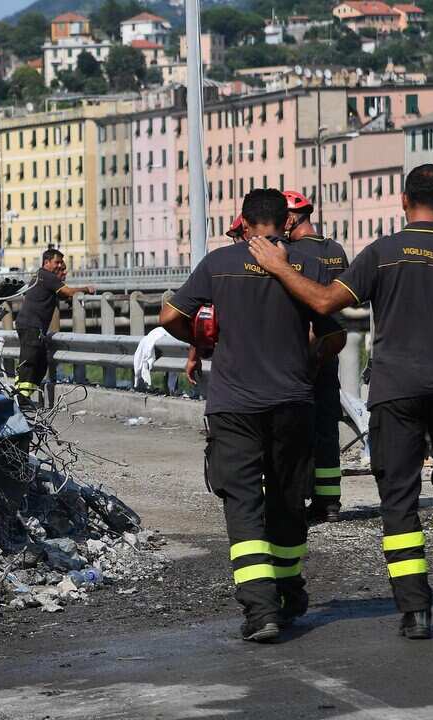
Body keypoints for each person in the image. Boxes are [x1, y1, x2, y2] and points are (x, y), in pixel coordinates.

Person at [247, 164, 433, 639]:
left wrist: (281, 268)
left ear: (403, 201)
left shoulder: (383, 254)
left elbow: (326, 302)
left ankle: (414, 611)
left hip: (395, 392)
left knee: (400, 498)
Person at [160, 189, 345, 642]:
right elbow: (333, 334)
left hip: (234, 405)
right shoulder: (306, 265)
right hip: (292, 401)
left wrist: (205, 344)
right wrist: (311, 360)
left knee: (243, 503)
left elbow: (169, 315)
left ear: (242, 222)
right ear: (285, 223)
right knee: (287, 499)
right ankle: (288, 589)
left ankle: (261, 610)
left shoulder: (217, 264)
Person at [282, 191, 350, 522]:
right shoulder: (335, 251)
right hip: (330, 347)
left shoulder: (291, 254)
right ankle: (329, 501)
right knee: (327, 425)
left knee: (295, 427)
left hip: (299, 350)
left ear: (293, 218)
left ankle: (296, 496)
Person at [14, 248, 93, 405]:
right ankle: (21, 399)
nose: (59, 266)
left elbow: (60, 294)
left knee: (41, 362)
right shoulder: (47, 276)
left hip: (29, 324)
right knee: (30, 361)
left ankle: (24, 395)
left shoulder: (40, 276)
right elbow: (68, 291)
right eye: (57, 262)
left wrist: (67, 298)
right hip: (32, 325)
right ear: (46, 262)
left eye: (61, 263)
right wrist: (86, 289)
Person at [186, 216, 249, 384]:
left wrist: (194, 355)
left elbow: (201, 317)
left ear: (245, 232)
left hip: (232, 361)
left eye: (235, 237)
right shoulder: (281, 260)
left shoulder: (221, 265)